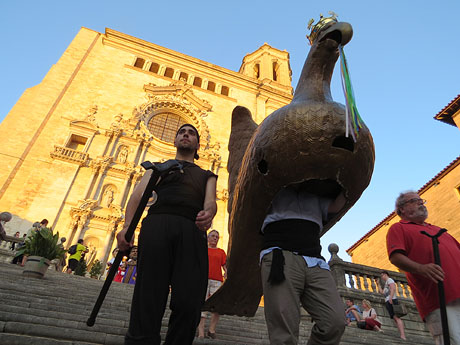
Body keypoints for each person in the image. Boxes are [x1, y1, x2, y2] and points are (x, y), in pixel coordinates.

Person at [116, 123, 217, 345]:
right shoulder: (156, 168)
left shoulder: (207, 175)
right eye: (181, 132)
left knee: (189, 298)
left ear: (198, 144)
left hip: (192, 230)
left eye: (191, 133)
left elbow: (211, 202)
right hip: (156, 226)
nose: (186, 135)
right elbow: (137, 196)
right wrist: (127, 226)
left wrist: (208, 214)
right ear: (176, 140)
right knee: (148, 293)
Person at [260, 182, 347, 345]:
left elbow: (335, 206)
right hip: (281, 256)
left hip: (314, 261)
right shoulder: (274, 191)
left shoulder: (316, 197)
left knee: (335, 321)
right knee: (283, 330)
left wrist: (351, 183)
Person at [387, 191, 460, 344]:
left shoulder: (441, 231)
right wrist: (421, 268)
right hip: (438, 299)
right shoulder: (398, 228)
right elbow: (395, 257)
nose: (421, 203)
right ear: (402, 210)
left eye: (421, 200)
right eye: (414, 201)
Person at [197, 230, 227, 339]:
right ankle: (201, 332)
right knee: (202, 306)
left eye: (217, 237)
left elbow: (225, 266)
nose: (215, 238)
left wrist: (227, 274)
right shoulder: (202, 250)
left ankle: (211, 330)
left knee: (217, 306)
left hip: (217, 281)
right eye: (213, 236)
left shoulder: (221, 252)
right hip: (203, 280)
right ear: (208, 238)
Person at [376, 271, 406, 339]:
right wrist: (378, 284)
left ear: (385, 274)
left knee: (397, 317)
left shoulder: (390, 280)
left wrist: (391, 298)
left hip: (392, 300)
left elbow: (393, 288)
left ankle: (403, 335)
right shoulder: (386, 283)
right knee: (395, 318)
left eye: (382, 275)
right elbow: (382, 292)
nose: (382, 277)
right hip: (388, 300)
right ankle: (401, 334)